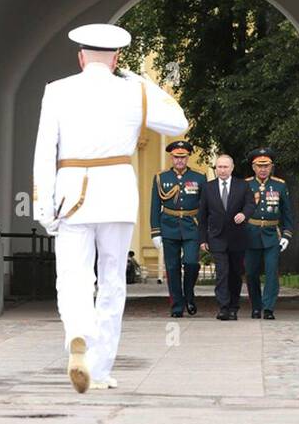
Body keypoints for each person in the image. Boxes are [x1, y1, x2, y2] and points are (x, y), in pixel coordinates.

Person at [33, 23, 188, 393]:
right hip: (117, 193)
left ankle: (78, 336)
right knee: (113, 280)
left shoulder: (57, 91)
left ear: (80, 57)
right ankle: (100, 369)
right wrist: (142, 80)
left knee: (73, 275)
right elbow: (178, 121)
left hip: (71, 194)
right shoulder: (133, 92)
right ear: (117, 58)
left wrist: (43, 203)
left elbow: (44, 151)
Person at [150, 138, 206, 317]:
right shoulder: (161, 178)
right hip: (169, 226)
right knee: (172, 267)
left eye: (183, 157)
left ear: (188, 157)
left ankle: (188, 294)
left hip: (192, 226)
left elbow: (204, 207)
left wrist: (205, 230)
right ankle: (177, 305)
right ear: (171, 158)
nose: (179, 161)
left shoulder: (199, 177)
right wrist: (155, 232)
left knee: (191, 262)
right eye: (176, 157)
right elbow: (154, 206)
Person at [198, 153, 251, 321]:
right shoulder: (208, 187)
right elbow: (202, 215)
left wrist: (244, 214)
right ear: (216, 168)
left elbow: (251, 204)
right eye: (219, 167)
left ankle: (234, 306)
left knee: (235, 273)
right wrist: (203, 239)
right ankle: (223, 307)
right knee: (222, 272)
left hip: (237, 236)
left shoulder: (242, 186)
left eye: (225, 167)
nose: (222, 170)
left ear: (232, 168)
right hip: (217, 236)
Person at [243, 148, 293, 320]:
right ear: (253, 167)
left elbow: (287, 212)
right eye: (260, 166)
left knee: (272, 271)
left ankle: (269, 307)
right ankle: (256, 306)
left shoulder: (279, 185)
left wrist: (287, 234)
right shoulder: (246, 185)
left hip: (272, 234)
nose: (263, 169)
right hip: (250, 233)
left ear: (272, 167)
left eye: (267, 166)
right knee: (251, 272)